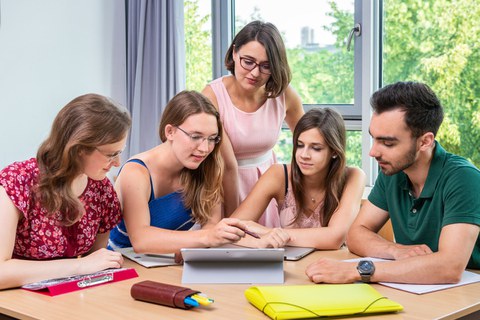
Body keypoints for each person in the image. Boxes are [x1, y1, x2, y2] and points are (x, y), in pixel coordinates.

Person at [306, 81, 480, 285]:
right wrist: (396, 250)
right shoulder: (393, 172)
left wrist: (358, 270)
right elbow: (356, 234)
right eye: (374, 139)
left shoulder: (464, 178)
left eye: (387, 143)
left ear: (425, 141)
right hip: (420, 291)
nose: (373, 152)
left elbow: (449, 267)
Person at [0, 94, 132, 290]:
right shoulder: (18, 181)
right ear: (79, 148)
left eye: (119, 153)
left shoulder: (102, 191)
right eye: (111, 154)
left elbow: (95, 264)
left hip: (66, 300)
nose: (117, 163)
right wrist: (78, 266)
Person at [108, 90, 251, 254]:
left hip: (164, 263)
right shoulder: (136, 172)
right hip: (120, 264)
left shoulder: (207, 167)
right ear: (170, 132)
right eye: (196, 136)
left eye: (212, 138)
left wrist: (194, 246)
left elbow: (211, 225)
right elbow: (141, 240)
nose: (204, 149)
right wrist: (202, 239)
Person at [202, 20, 304, 226]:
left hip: (268, 185)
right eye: (248, 61)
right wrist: (235, 220)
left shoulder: (284, 96)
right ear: (234, 53)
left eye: (266, 66)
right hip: (222, 186)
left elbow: (309, 141)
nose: (255, 73)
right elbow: (228, 165)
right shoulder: (211, 96)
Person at [231, 108, 366, 249]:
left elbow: (335, 238)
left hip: (334, 265)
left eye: (316, 148)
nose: (304, 155)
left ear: (334, 151)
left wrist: (269, 232)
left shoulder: (354, 176)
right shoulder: (279, 174)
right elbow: (231, 228)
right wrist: (259, 241)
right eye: (300, 145)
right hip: (290, 264)